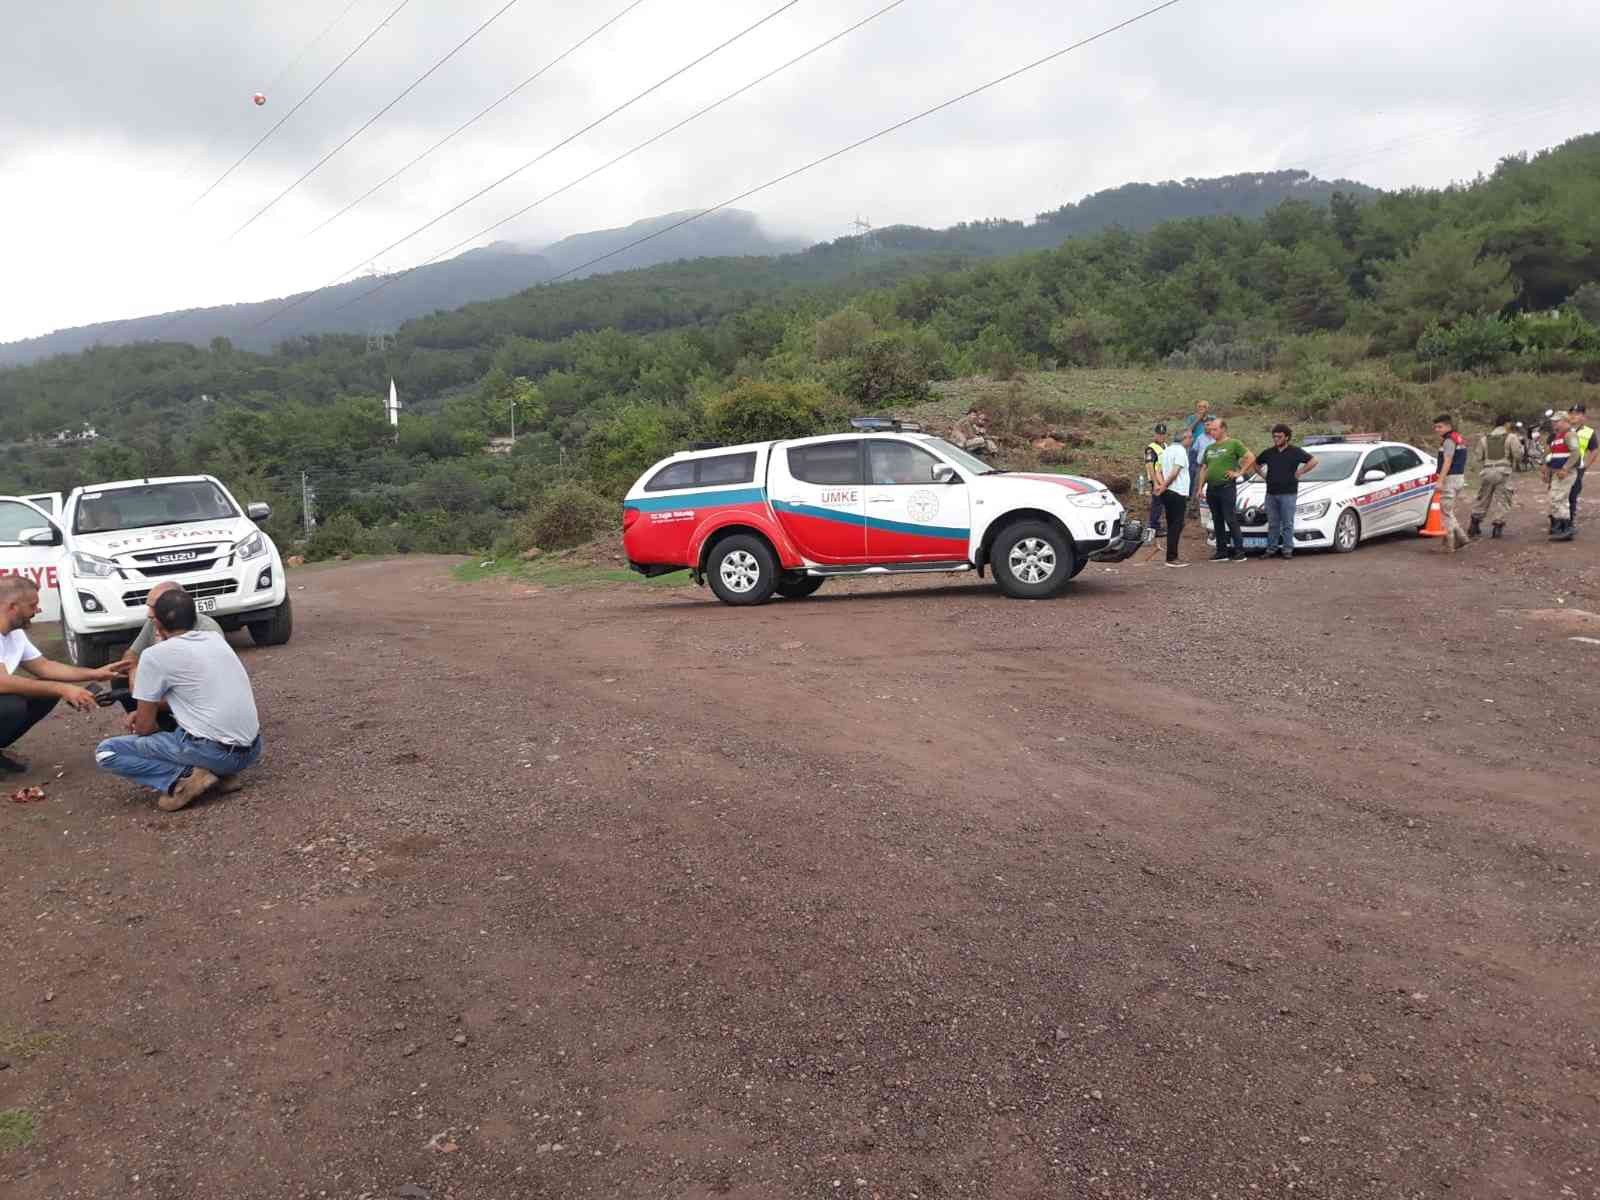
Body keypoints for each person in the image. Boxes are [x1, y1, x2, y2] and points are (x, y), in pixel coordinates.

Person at [94, 588, 263, 812]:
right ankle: (221, 774)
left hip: (215, 752)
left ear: (158, 625)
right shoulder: (215, 639)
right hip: (252, 749)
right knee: (182, 731)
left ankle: (183, 779)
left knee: (107, 751)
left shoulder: (155, 656)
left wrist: (144, 714)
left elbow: (145, 728)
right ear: (195, 618)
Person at [0, 576, 124, 773]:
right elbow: (2, 682)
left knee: (45, 692)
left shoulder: (14, 633)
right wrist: (62, 688)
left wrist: (96, 673)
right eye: (32, 605)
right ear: (12, 607)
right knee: (11, 706)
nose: (37, 610)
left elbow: (44, 666)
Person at [108, 582, 225, 734]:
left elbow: (202, 688)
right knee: (120, 678)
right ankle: (159, 727)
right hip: (167, 689)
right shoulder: (153, 622)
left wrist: (147, 702)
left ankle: (163, 730)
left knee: (110, 750)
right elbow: (131, 655)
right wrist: (134, 673)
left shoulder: (208, 630)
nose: (148, 614)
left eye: (153, 607)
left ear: (172, 609)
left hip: (195, 697)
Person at [1250, 423, 1319, 559]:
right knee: (1273, 523)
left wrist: (1301, 471)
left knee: (1287, 523)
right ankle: (1271, 549)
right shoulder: (1269, 452)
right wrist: (1264, 476)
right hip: (1271, 493)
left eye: (1279, 436)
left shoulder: (1295, 451)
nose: (1276, 439)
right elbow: (1255, 464)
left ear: (1286, 437)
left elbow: (1314, 460)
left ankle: (1287, 550)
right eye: (1274, 436)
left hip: (1288, 493)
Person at [1198, 417, 1253, 562]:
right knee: (1217, 519)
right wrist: (1200, 487)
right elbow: (1204, 468)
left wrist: (1239, 473)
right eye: (1210, 430)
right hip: (1212, 488)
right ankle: (1221, 551)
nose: (1212, 432)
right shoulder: (1210, 448)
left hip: (1226, 487)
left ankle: (1239, 551)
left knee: (1230, 518)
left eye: (1215, 429)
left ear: (1223, 429)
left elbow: (1250, 457)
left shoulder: (1233, 443)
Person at [1469, 414, 1522, 540]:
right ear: (1507, 424)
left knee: (1483, 498)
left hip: (1487, 471)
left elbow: (1478, 457)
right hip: (1503, 471)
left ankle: (1474, 525)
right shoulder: (1511, 437)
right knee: (1502, 500)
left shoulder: (1484, 439)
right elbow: (1518, 455)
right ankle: (1497, 528)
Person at [1150, 423, 1192, 568]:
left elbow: (1158, 470)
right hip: (1177, 491)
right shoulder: (1180, 451)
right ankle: (1172, 557)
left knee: (1172, 523)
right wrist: (1165, 486)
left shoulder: (1166, 450)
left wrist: (1161, 486)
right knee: (1176, 525)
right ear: (1184, 438)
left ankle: (1171, 555)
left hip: (1168, 492)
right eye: (1190, 438)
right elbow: (1175, 472)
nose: (1191, 441)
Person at [1432, 414, 1471, 553]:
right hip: (1459, 477)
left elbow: (1447, 461)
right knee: (1448, 511)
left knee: (1445, 513)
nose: (1437, 429)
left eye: (1440, 426)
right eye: (1435, 427)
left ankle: (1449, 545)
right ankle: (1462, 538)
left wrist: (1440, 481)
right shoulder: (1458, 438)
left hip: (1450, 479)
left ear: (1448, 426)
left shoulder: (1449, 441)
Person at [1543, 412, 1580, 542]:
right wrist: (1547, 470)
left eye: (1557, 421)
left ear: (1565, 421)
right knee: (1555, 498)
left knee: (1559, 499)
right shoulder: (1557, 436)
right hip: (1557, 473)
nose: (1554, 423)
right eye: (1553, 421)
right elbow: (1552, 456)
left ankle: (1565, 529)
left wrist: (1565, 468)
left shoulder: (1570, 434)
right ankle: (1560, 528)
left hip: (1565, 473)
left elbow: (1576, 452)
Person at [1572, 402, 1595, 527]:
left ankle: (1570, 518)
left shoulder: (1588, 432)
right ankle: (1559, 518)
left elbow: (1594, 450)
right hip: (1560, 466)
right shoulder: (1565, 427)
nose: (1575, 416)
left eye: (1578, 413)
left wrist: (1585, 466)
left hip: (1577, 467)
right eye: (1573, 413)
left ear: (1584, 416)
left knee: (1573, 493)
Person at [1142, 429, 1168, 540]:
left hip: (1165, 479)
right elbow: (1149, 465)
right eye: (1159, 434)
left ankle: (1158, 525)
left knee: (1162, 503)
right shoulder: (1150, 448)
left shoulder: (1166, 446)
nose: (1161, 436)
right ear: (1155, 434)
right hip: (1156, 480)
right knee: (1157, 503)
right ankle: (1154, 527)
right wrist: (1155, 482)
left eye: (1163, 434)